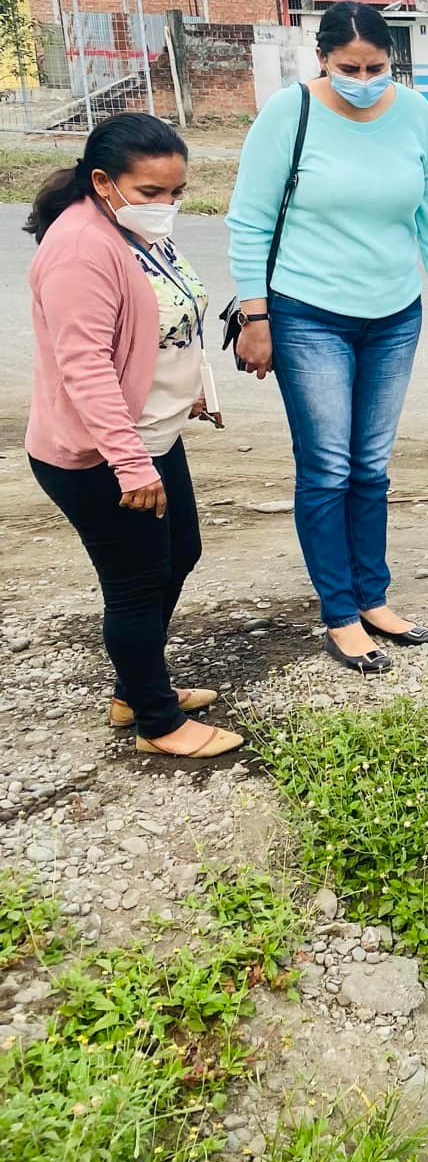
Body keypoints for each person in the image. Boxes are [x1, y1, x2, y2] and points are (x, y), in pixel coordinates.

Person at [226, 1, 428, 675]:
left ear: (393, 61)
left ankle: (373, 597)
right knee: (328, 466)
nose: (364, 80)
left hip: (394, 313)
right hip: (308, 313)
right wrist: (255, 318)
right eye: (349, 68)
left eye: (376, 67)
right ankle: (339, 613)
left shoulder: (413, 113)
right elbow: (249, 220)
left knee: (372, 467)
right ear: (322, 59)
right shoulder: (290, 113)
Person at [24, 114, 238, 758]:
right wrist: (129, 463)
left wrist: (189, 389)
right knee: (137, 582)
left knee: (180, 553)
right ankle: (156, 723)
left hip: (153, 433)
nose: (166, 203)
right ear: (102, 181)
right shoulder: (80, 248)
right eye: (151, 191)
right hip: (104, 454)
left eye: (176, 191)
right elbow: (85, 366)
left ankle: (136, 688)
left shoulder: (135, 232)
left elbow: (163, 320)